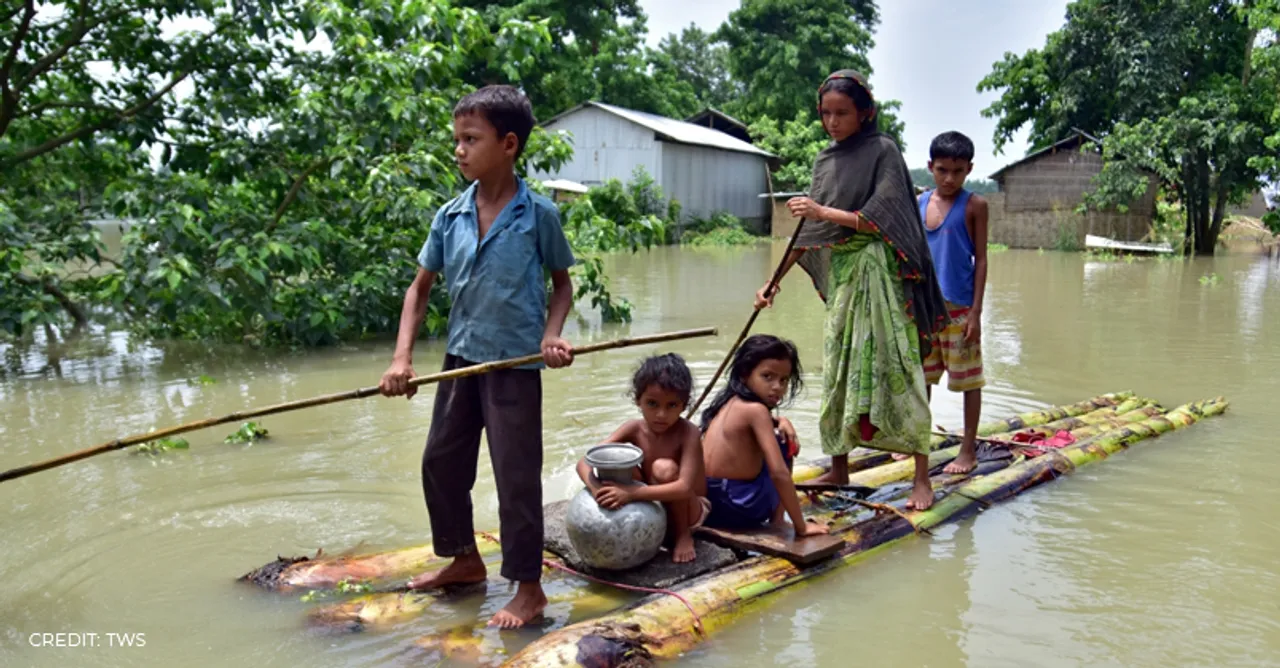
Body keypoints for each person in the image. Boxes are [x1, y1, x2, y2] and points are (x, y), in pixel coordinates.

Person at [377, 85, 576, 629]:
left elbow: (562, 287)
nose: (459, 150)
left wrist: (551, 337)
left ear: (509, 144)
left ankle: (529, 589)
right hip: (461, 361)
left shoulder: (538, 215)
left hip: (515, 367)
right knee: (440, 462)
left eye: (471, 139)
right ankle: (464, 561)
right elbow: (418, 290)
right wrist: (401, 360)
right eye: (457, 140)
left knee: (516, 476)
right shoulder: (450, 215)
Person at [753, 70, 949, 511]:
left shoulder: (884, 151)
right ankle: (839, 465)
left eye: (842, 113)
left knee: (899, 368)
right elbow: (808, 233)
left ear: (866, 112)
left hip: (880, 273)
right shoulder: (825, 161)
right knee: (839, 367)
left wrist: (823, 209)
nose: (832, 122)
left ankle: (921, 476)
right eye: (826, 113)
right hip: (843, 277)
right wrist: (773, 280)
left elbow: (885, 216)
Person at [577, 353, 709, 563]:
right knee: (619, 464)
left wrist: (631, 493)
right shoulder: (634, 428)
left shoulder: (689, 432)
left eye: (672, 406)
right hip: (653, 499)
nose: (661, 415)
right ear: (638, 400)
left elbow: (684, 487)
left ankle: (683, 536)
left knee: (663, 468)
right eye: (653, 404)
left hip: (690, 509)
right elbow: (585, 462)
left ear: (684, 405)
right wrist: (596, 489)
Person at [699, 334, 828, 535]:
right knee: (783, 443)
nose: (777, 387)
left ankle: (777, 517)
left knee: (778, 436)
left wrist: (781, 421)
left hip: (709, 506)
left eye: (783, 380)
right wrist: (800, 526)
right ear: (744, 374)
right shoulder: (757, 411)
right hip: (737, 510)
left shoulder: (727, 402)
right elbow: (779, 473)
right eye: (767, 377)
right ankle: (779, 521)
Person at [917, 131, 989, 474]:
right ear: (930, 166)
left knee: (968, 381)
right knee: (922, 380)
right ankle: (917, 443)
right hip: (925, 310)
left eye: (958, 171)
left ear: (969, 170)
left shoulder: (975, 205)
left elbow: (982, 260)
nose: (949, 178)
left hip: (959, 309)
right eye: (942, 169)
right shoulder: (918, 204)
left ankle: (968, 450)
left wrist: (975, 312)